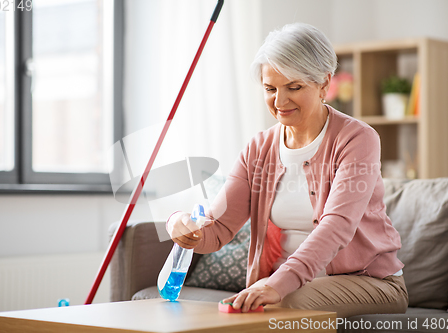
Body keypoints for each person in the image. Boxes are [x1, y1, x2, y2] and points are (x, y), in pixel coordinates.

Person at [166, 22, 408, 318]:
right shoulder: (259, 148)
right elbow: (217, 229)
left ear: (324, 83)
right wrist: (180, 224)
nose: (280, 102)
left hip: (369, 282)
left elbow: (337, 226)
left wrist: (277, 284)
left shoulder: (357, 139)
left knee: (284, 304)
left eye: (294, 87)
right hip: (284, 286)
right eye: (270, 89)